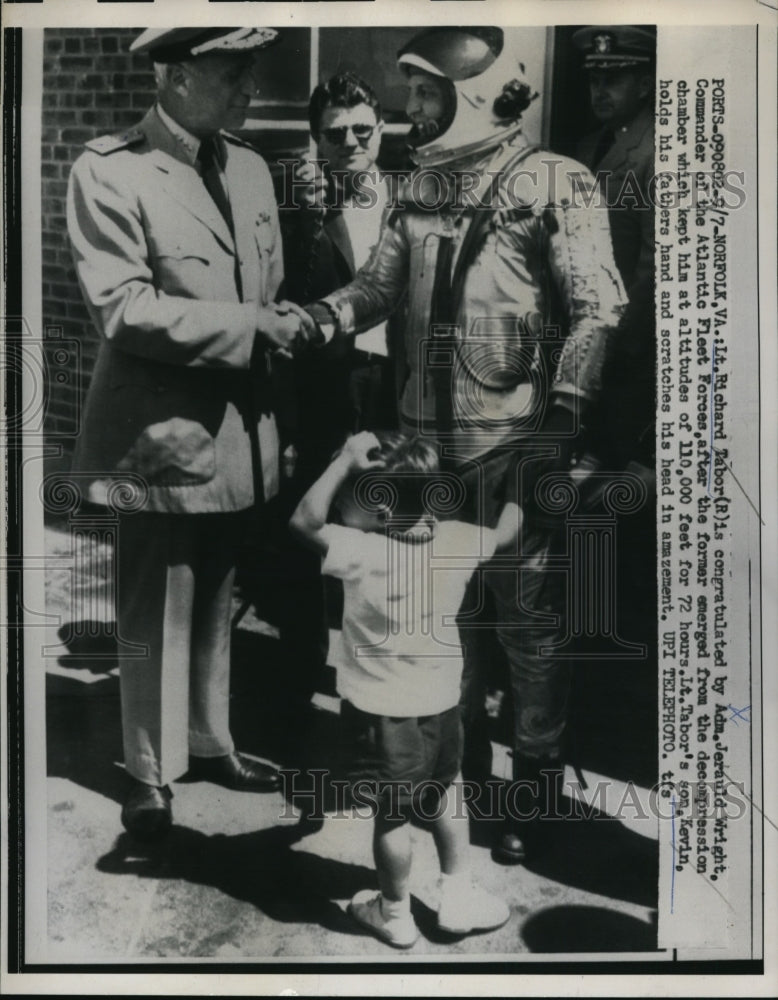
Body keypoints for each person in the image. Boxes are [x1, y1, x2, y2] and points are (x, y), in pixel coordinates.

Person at [300, 26, 628, 864]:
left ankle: (532, 787)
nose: (411, 109)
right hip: (425, 453)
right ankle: (460, 772)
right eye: (412, 93)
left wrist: (560, 424)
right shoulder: (419, 184)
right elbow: (379, 284)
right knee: (445, 621)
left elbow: (598, 308)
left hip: (515, 444)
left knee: (528, 627)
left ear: (473, 95)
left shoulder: (557, 181)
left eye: (425, 93)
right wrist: (323, 316)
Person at [66, 27, 313, 841]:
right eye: (233, 72)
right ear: (175, 77)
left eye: (251, 71)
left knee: (215, 599)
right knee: (154, 608)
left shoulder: (247, 166)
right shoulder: (110, 170)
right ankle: (151, 770)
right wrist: (252, 327)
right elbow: (124, 307)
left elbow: (266, 282)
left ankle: (209, 741)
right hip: (159, 436)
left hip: (238, 433)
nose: (250, 87)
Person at [290, 430, 519, 948]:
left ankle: (394, 912)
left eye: (349, 496)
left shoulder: (360, 550)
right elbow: (506, 534)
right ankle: (457, 897)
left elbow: (304, 520)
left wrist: (344, 461)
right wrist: (520, 491)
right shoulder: (458, 539)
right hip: (442, 703)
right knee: (447, 791)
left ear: (381, 510)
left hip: (379, 712)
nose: (341, 506)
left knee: (392, 815)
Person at [272, 73, 401, 750]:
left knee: (385, 540)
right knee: (310, 536)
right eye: (335, 133)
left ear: (381, 130)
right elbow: (286, 307)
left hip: (395, 391)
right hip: (327, 390)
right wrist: (291, 424)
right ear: (315, 139)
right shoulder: (300, 208)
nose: (350, 142)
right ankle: (297, 689)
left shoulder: (410, 197)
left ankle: (376, 700)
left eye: (362, 130)